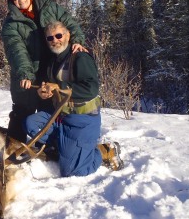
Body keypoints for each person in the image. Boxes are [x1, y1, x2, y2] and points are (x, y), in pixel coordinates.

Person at [24, 21, 124, 177]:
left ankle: (104, 151)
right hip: (61, 118)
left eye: (59, 35)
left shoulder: (80, 57)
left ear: (68, 35)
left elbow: (91, 89)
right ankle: (67, 149)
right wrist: (44, 93)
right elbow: (52, 88)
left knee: (73, 171)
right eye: (50, 38)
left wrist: (60, 86)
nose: (55, 40)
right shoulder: (52, 61)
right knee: (31, 123)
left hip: (82, 120)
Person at [1, 0, 86, 142]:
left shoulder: (49, 7)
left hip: (53, 68)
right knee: (22, 108)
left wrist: (77, 40)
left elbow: (69, 23)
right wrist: (25, 73)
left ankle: (50, 144)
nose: (21, 0)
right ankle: (14, 145)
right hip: (28, 70)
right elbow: (16, 50)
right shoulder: (11, 24)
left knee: (50, 108)